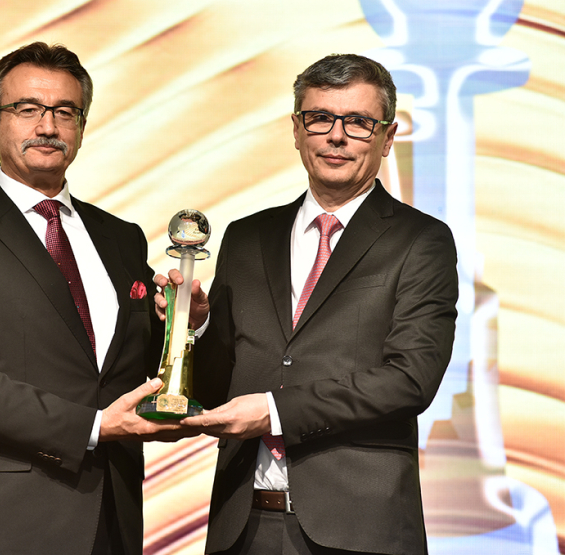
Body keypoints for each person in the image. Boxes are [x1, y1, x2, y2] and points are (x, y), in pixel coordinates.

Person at [157, 54, 459, 554]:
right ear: (296, 130)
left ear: (387, 138)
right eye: (320, 118)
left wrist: (275, 411)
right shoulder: (247, 236)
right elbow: (216, 388)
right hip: (244, 529)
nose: (336, 136)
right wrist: (195, 327)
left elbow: (410, 380)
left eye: (358, 122)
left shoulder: (420, 241)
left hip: (359, 532)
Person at [0, 42, 192, 555]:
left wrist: (185, 323)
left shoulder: (120, 237)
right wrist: (95, 427)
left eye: (64, 111)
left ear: (81, 126)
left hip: (112, 519)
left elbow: (137, 370)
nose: (47, 126)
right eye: (27, 109)